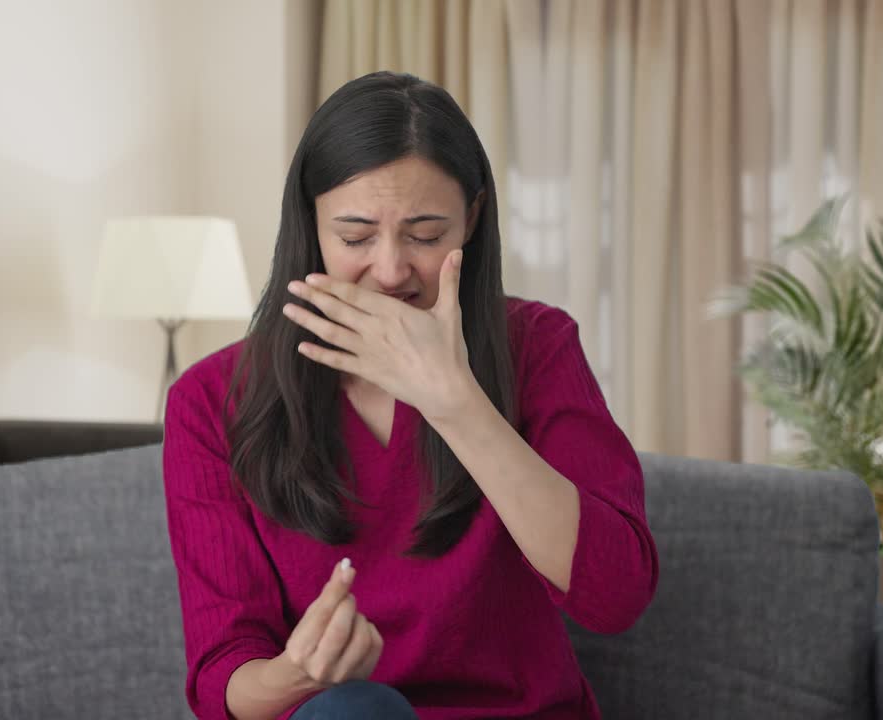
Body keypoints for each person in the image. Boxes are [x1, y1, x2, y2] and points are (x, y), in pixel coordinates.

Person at [162, 71, 658, 720]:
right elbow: (222, 685)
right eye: (355, 237)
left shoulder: (537, 347)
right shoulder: (212, 399)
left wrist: (454, 400)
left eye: (425, 235)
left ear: (471, 219)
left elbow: (616, 595)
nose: (392, 270)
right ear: (310, 224)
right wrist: (298, 673)